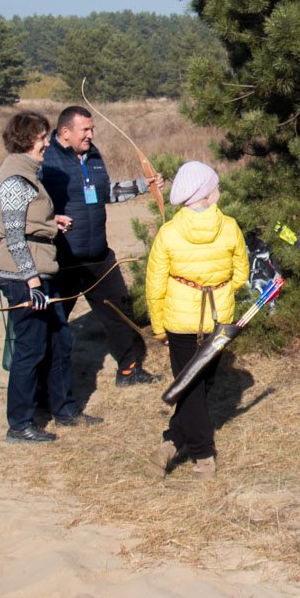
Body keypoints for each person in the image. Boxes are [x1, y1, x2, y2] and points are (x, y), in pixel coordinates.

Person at [0, 111, 103, 443]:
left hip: (41, 269)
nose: (46, 143)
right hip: (24, 276)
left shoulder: (30, 173)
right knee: (30, 348)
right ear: (28, 140)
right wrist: (32, 282)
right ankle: (20, 424)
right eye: (42, 138)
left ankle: (65, 411)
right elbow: (14, 235)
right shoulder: (15, 178)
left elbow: (28, 220)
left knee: (59, 341)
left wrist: (51, 223)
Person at [40, 105, 163, 387]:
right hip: (63, 259)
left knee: (119, 309)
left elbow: (105, 192)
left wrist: (144, 185)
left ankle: (128, 371)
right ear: (65, 132)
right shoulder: (47, 160)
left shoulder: (93, 155)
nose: (91, 135)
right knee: (53, 323)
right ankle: (46, 385)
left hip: (99, 256)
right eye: (85, 130)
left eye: (92, 129)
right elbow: (32, 204)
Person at [145, 161, 248, 480]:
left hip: (181, 322)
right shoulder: (229, 226)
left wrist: (159, 327)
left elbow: (155, 286)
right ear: (207, 192)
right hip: (218, 320)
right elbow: (240, 275)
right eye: (215, 186)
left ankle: (185, 448)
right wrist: (219, 291)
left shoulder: (168, 232)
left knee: (192, 386)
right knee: (195, 385)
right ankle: (196, 451)